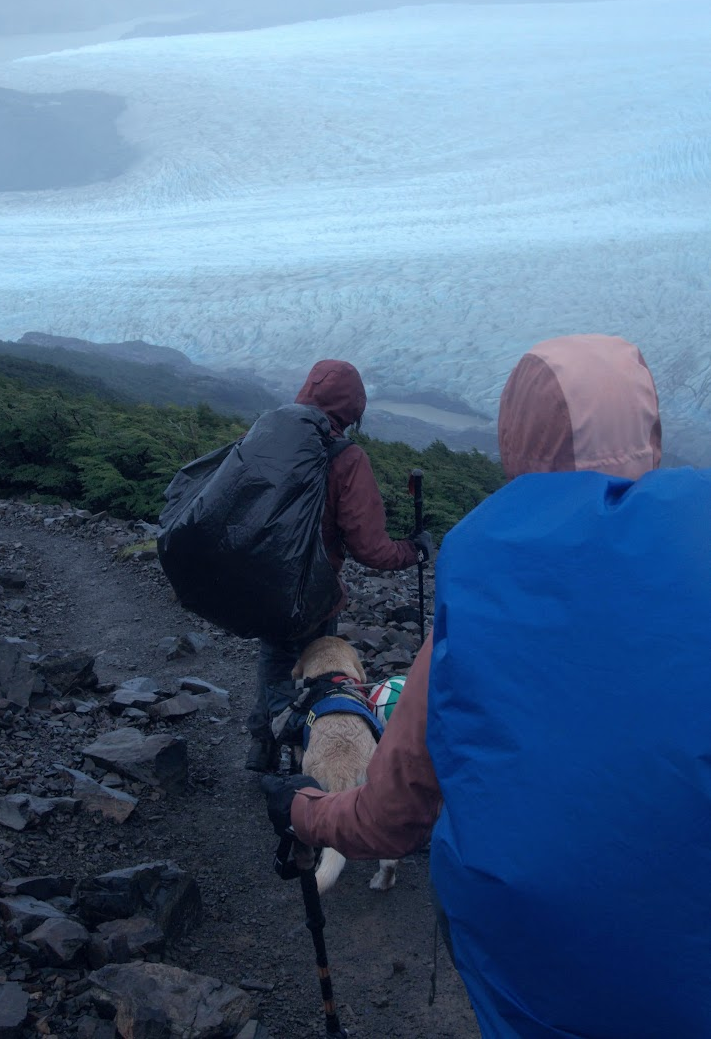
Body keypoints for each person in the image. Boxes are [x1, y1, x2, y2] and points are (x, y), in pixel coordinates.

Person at [263, 335, 711, 1038]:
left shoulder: (481, 592)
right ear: (650, 429)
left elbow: (391, 817)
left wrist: (305, 812)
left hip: (531, 967)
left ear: (516, 435)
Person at [245, 358, 432, 772]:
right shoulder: (346, 457)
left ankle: (263, 744)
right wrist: (413, 551)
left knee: (275, 660)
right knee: (319, 675)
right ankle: (311, 761)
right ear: (353, 407)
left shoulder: (269, 431)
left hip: (264, 578)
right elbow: (371, 549)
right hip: (313, 590)